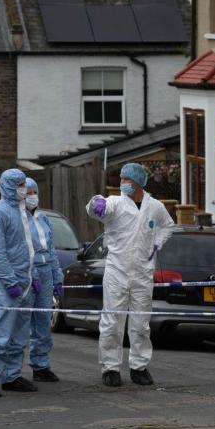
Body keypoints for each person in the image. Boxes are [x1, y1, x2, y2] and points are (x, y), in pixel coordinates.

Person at [86, 162, 174, 387]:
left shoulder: (154, 206)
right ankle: (110, 368)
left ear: (138, 182)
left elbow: (168, 226)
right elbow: (100, 206)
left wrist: (157, 243)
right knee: (112, 321)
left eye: (127, 179)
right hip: (117, 270)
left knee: (140, 323)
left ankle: (139, 366)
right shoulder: (116, 203)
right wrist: (95, 204)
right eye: (122, 179)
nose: (123, 183)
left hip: (143, 273)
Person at [0, 168, 39, 398]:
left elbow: (28, 250)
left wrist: (33, 279)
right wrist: (10, 281)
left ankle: (12, 376)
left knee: (20, 334)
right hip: (6, 284)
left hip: (24, 281)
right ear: (8, 186)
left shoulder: (22, 211)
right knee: (1, 332)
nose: (24, 188)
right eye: (20, 184)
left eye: (24, 183)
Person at [24, 178, 65, 382]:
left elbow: (51, 250)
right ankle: (10, 372)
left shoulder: (43, 218)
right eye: (28, 192)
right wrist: (30, 274)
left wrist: (57, 277)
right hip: (27, 274)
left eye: (35, 192)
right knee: (21, 323)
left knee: (43, 323)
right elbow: (20, 251)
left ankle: (40, 366)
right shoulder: (18, 219)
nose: (32, 196)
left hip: (46, 272)